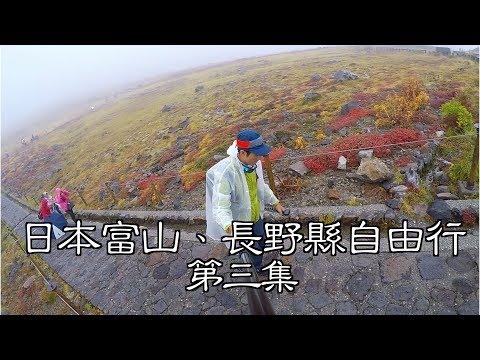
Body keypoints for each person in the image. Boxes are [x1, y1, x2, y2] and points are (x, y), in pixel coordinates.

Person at [206, 129, 285, 277]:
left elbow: (261, 185)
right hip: (240, 222)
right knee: (247, 246)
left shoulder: (254, 165)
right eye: (256, 154)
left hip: (256, 216)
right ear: (243, 153)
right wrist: (229, 226)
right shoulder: (226, 173)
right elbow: (219, 207)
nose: (260, 158)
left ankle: (255, 266)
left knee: (260, 241)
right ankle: (251, 269)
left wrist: (275, 203)